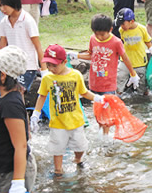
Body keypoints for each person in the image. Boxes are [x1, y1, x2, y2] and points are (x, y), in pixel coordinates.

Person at [30, 44, 105, 177]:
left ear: (65, 62)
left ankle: (78, 159)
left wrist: (97, 98)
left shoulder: (75, 75)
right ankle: (58, 170)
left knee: (80, 146)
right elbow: (42, 96)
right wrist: (36, 113)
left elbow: (84, 92)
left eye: (54, 65)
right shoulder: (47, 78)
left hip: (76, 120)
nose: (51, 68)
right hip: (57, 122)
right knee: (57, 148)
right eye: (48, 65)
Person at [0, 45, 37, 193]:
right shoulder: (7, 97)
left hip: (11, 172)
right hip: (2, 167)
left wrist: (17, 183)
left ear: (2, 76)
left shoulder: (11, 105)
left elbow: (21, 145)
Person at [67, 14, 138, 136]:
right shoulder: (92, 39)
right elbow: (91, 54)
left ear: (110, 29)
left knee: (106, 111)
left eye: (102, 35)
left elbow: (125, 58)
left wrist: (133, 74)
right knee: (97, 111)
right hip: (94, 83)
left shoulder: (116, 42)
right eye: (97, 34)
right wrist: (77, 55)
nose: (99, 37)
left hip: (108, 85)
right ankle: (101, 130)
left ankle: (106, 136)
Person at [0, 0, 48, 92]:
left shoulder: (27, 20)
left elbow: (38, 47)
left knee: (18, 91)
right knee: (7, 92)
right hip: (11, 66)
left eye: (4, 5)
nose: (2, 9)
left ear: (13, 1)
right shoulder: (4, 22)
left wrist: (44, 70)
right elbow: (2, 46)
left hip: (27, 66)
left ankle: (19, 108)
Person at [114, 8, 152, 95]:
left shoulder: (142, 29)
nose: (121, 26)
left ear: (131, 21)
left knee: (141, 85)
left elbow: (147, 41)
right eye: (120, 24)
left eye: (123, 24)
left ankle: (142, 100)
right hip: (125, 60)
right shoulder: (121, 30)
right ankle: (118, 95)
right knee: (119, 77)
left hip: (139, 61)